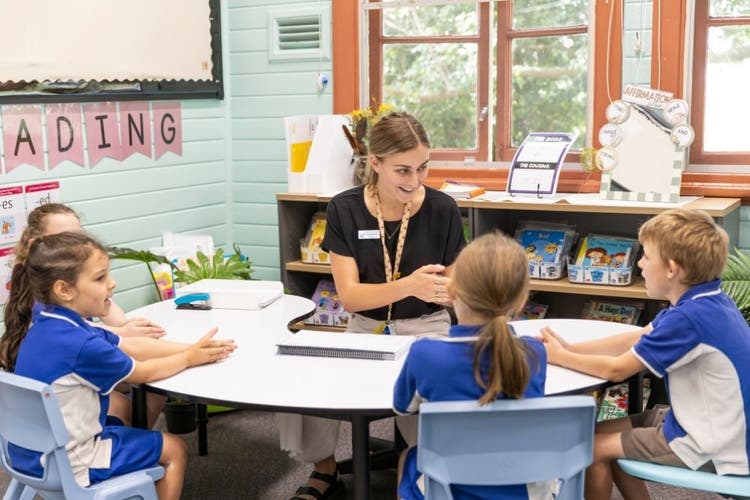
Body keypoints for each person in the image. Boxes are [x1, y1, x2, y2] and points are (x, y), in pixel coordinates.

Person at [279, 111, 467, 500]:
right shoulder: (344, 209)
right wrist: (410, 284)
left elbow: (454, 285)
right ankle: (324, 470)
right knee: (308, 377)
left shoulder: (443, 208)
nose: (415, 182)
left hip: (426, 325)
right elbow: (350, 296)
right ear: (375, 164)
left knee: (437, 390)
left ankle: (424, 467)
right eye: (402, 171)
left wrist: (450, 292)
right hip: (365, 327)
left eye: (422, 168)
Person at [0, 232, 236, 500]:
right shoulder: (81, 345)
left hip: (25, 453)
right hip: (72, 461)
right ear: (64, 290)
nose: (112, 284)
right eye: (100, 278)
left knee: (124, 421)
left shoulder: (48, 319)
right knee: (175, 450)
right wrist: (188, 359)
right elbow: (143, 373)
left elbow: (129, 345)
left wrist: (191, 348)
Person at [540, 208, 750, 500]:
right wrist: (569, 348)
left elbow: (616, 370)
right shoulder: (702, 301)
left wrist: (557, 357)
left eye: (646, 256)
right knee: (596, 432)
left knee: (591, 449)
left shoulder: (688, 319)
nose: (639, 263)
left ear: (672, 269)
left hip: (713, 443)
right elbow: (636, 337)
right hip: (702, 421)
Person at [394, 231, 550, 499]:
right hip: (526, 489)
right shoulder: (534, 352)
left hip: (449, 489)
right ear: (522, 300)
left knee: (407, 456)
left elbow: (402, 407)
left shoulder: (425, 354)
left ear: (451, 290)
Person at [14, 202, 167, 428]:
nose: (76, 245)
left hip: (82, 360)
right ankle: (126, 446)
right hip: (65, 379)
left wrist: (110, 312)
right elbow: (71, 337)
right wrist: (120, 332)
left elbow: (115, 319)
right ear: (39, 246)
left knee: (156, 378)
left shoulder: (81, 279)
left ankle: (135, 443)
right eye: (64, 238)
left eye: (78, 236)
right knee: (144, 382)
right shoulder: (41, 294)